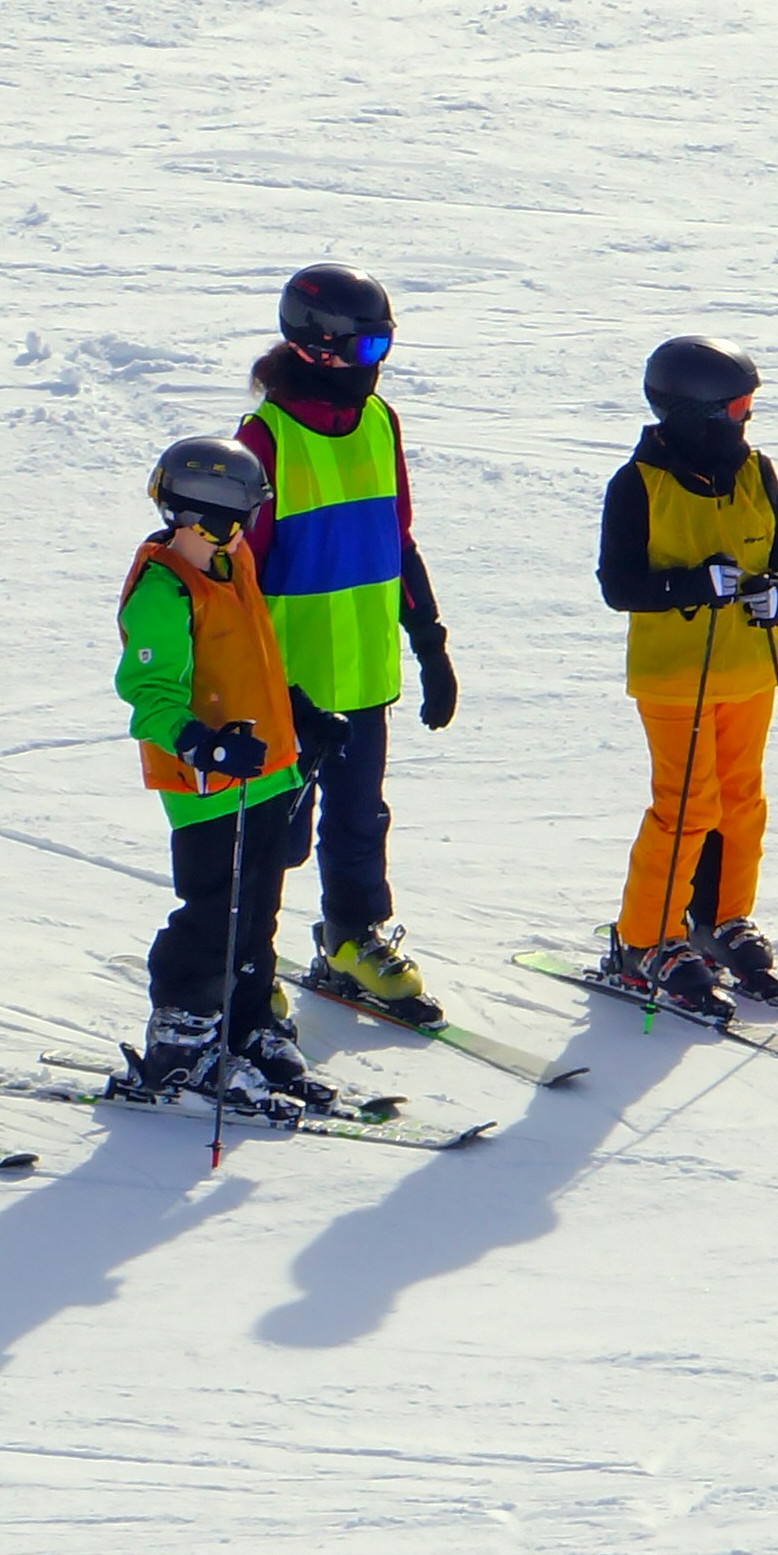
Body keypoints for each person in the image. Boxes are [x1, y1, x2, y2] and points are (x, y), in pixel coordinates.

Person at [235, 264, 462, 1027]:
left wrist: (428, 642)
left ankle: (351, 937)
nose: (376, 367)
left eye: (382, 348)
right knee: (274, 833)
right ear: (316, 349)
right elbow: (235, 580)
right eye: (364, 349)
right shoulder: (263, 440)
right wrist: (262, 688)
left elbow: (394, 539)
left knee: (361, 817)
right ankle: (245, 959)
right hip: (286, 685)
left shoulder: (378, 422)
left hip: (364, 670)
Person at [585, 336, 778, 1020]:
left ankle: (720, 919)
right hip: (676, 677)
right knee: (686, 808)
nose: (746, 417)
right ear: (694, 412)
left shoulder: (755, 470)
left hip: (749, 669)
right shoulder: (637, 485)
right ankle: (643, 938)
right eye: (737, 405)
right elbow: (618, 585)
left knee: (742, 801)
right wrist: (689, 584)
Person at [119, 434, 329, 1108]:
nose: (238, 535)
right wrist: (201, 744)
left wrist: (299, 715)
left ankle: (247, 1023)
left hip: (265, 769)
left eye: (245, 522)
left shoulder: (229, 565)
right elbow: (148, 699)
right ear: (186, 516)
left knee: (257, 908)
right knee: (215, 911)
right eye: (225, 523)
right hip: (207, 783)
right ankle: (182, 1036)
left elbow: (251, 662)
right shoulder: (163, 590)